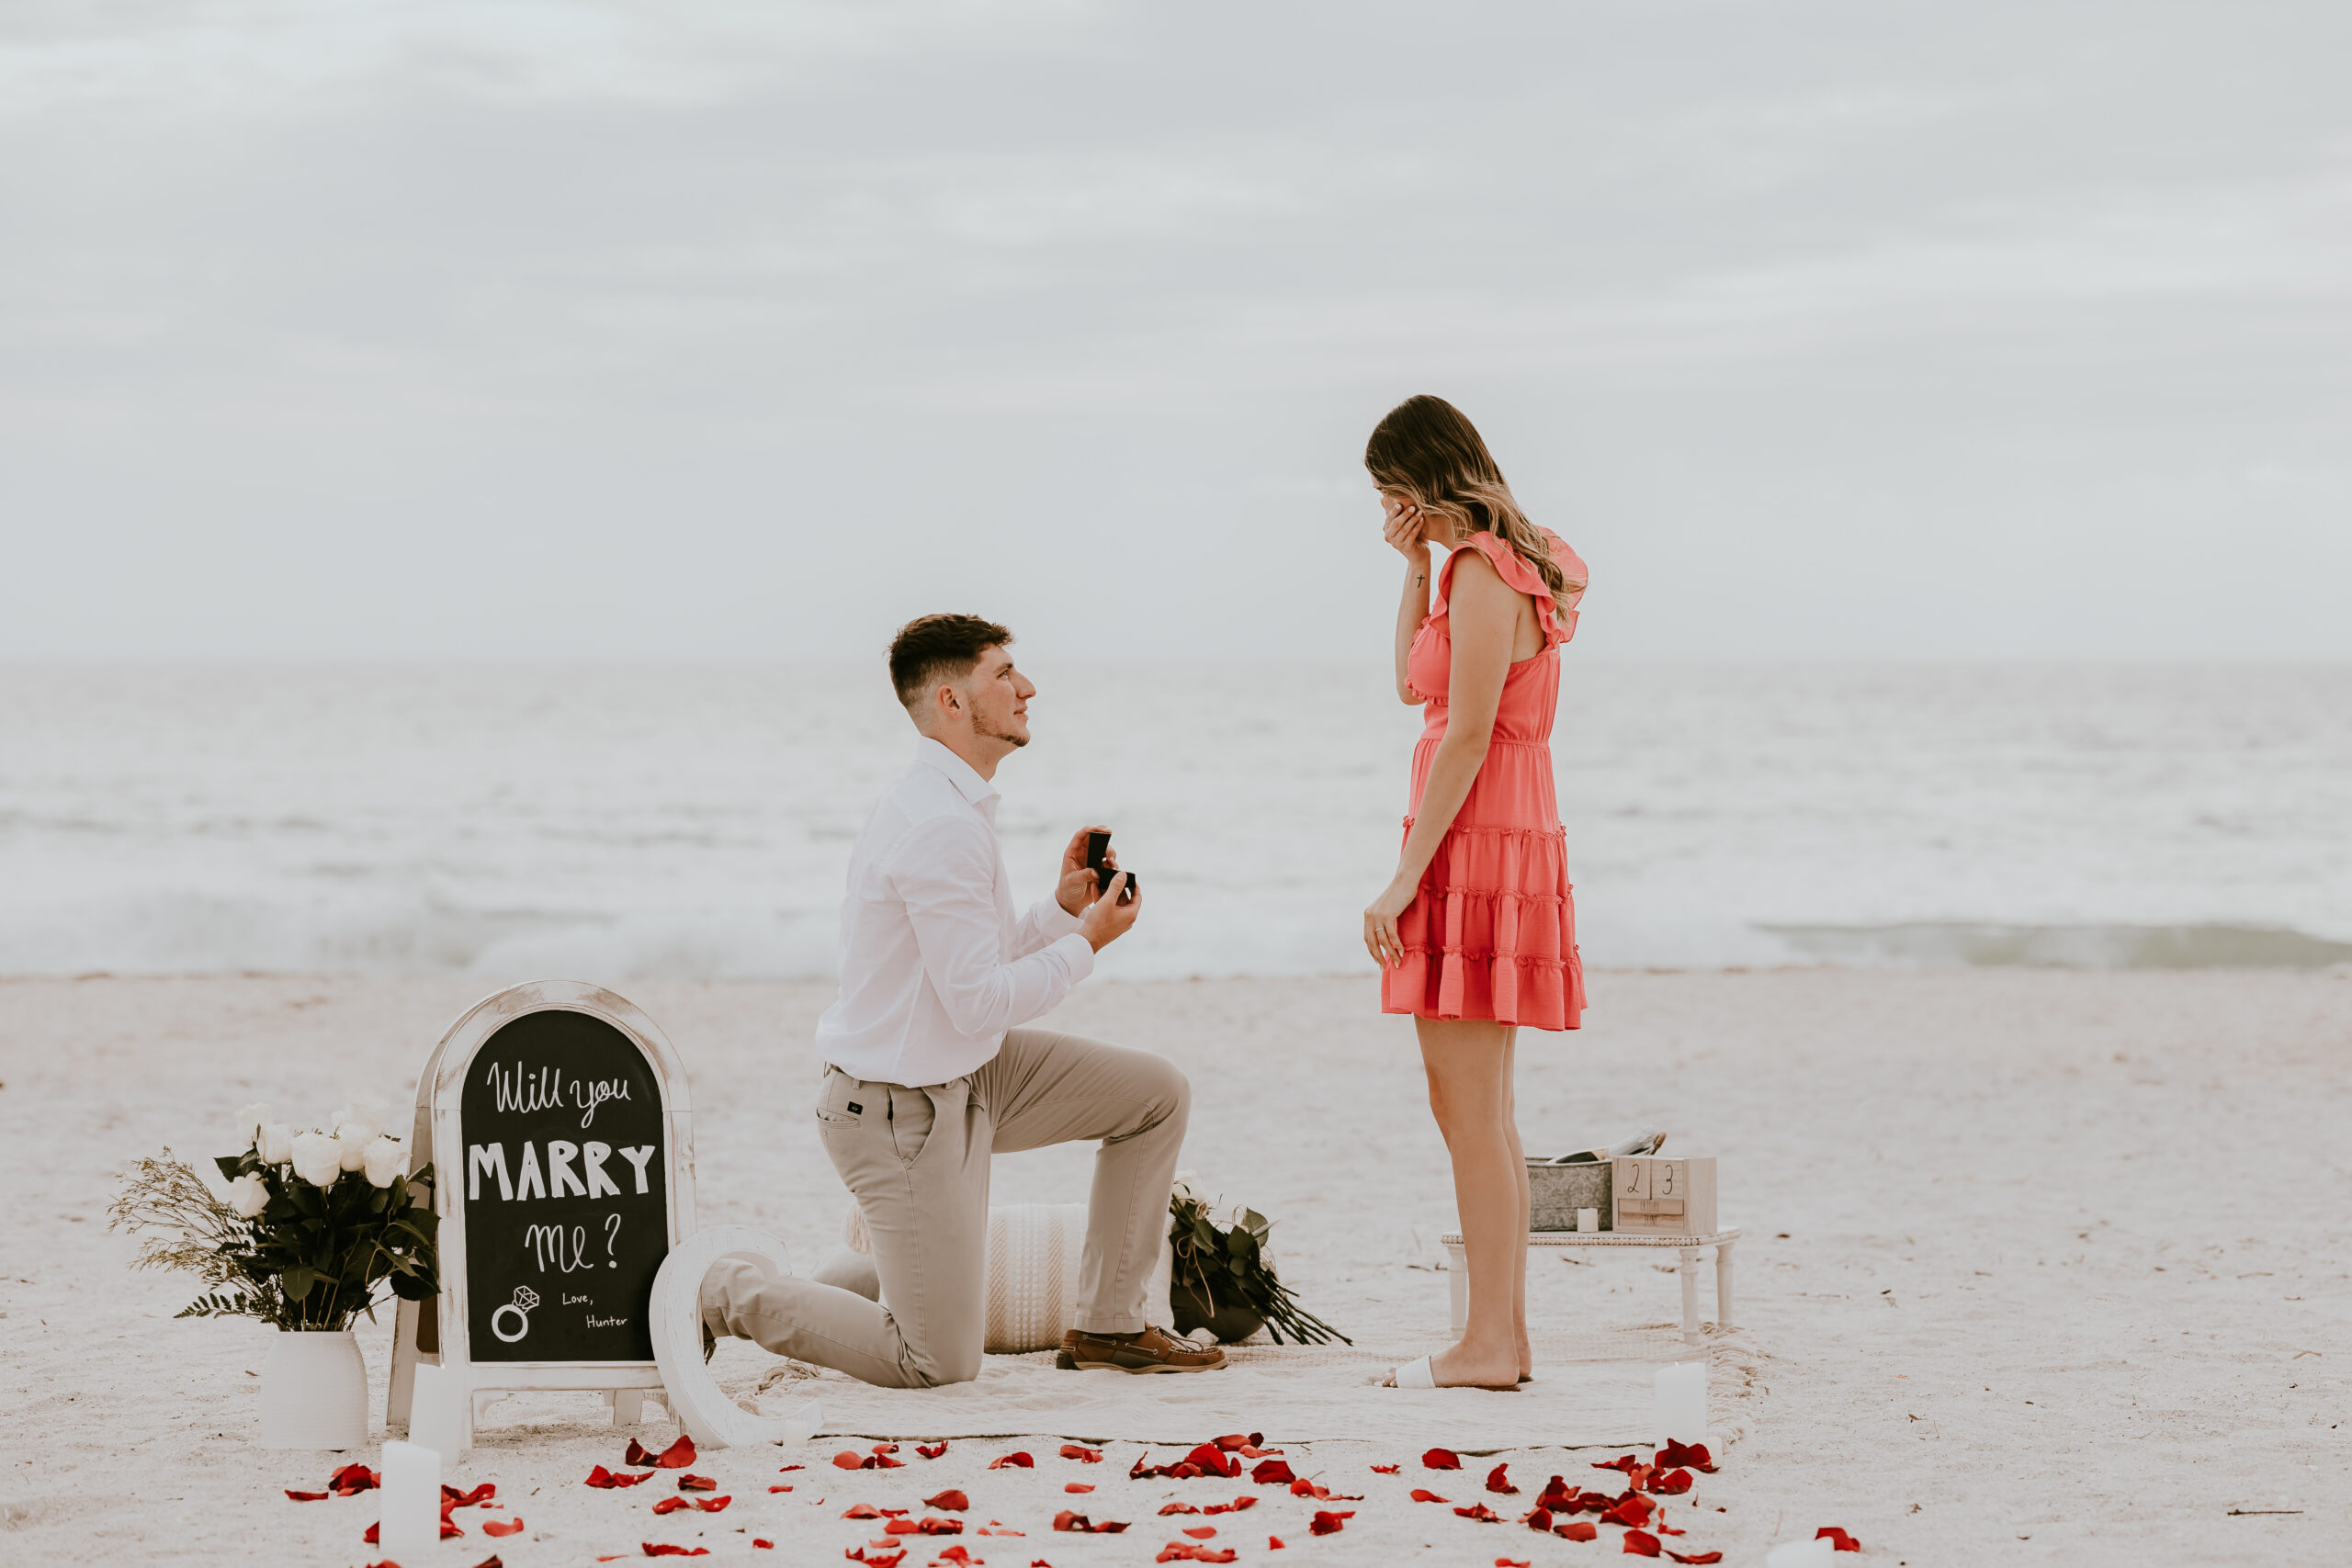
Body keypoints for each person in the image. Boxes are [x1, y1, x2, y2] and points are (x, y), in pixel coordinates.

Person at [698, 614, 1224, 1386]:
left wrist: (1058, 912)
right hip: (899, 1113)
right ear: (951, 700)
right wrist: (1088, 944)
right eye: (1004, 674)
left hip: (971, 1074)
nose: (1027, 687)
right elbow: (980, 1001)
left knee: (1155, 1094)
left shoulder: (950, 806)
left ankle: (1111, 1324)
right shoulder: (938, 824)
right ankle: (722, 1289)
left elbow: (969, 966)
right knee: (937, 1360)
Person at [1360, 396, 1589, 1391]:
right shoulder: (1505, 560)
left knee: (1468, 1108)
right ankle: (1502, 1337)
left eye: (1388, 496)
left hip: (1471, 838)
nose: (1388, 512)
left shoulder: (1480, 567)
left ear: (1417, 484)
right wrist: (1411, 566)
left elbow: (1463, 730)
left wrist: (1402, 879)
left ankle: (1491, 1343)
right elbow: (1416, 686)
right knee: (1478, 1109)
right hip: (1497, 827)